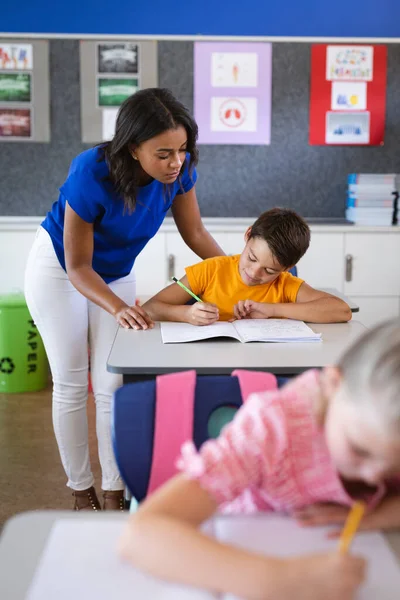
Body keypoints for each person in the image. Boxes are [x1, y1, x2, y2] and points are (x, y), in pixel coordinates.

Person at [24, 88, 224, 511]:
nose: (176, 163)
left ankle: (115, 492)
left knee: (113, 381)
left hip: (117, 272)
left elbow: (196, 235)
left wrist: (240, 274)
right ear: (134, 149)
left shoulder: (179, 174)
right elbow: (78, 267)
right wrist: (118, 308)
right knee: (73, 383)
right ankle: (82, 491)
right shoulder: (90, 172)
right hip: (60, 270)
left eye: (183, 150)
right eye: (164, 153)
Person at [119, 319, 400, 600]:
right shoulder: (271, 427)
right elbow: (141, 535)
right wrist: (280, 581)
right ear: (333, 385)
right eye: (359, 450)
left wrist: (379, 515)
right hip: (242, 551)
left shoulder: (366, 428)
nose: (375, 476)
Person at [142, 207, 352, 325]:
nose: (253, 272)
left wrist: (270, 309)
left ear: (288, 267)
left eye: (269, 270)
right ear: (247, 235)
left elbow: (342, 311)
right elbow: (150, 308)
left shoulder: (285, 285)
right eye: (252, 258)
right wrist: (186, 315)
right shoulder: (210, 270)